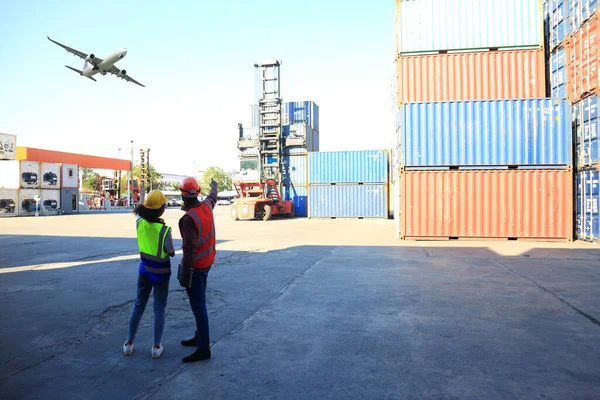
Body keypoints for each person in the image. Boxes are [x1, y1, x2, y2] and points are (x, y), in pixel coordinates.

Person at [123, 190, 175, 358]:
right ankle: (156, 346)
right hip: (160, 274)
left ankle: (129, 343)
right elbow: (171, 251)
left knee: (139, 306)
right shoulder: (164, 230)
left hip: (144, 271)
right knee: (159, 308)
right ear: (161, 210)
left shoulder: (139, 223)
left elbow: (143, 216)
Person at [178, 177, 218, 363]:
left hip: (195, 268)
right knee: (199, 304)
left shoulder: (188, 219)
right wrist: (214, 186)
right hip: (207, 263)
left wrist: (185, 274)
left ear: (183, 195)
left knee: (198, 306)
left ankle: (203, 347)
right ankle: (198, 335)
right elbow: (212, 197)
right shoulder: (206, 207)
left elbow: (188, 249)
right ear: (197, 193)